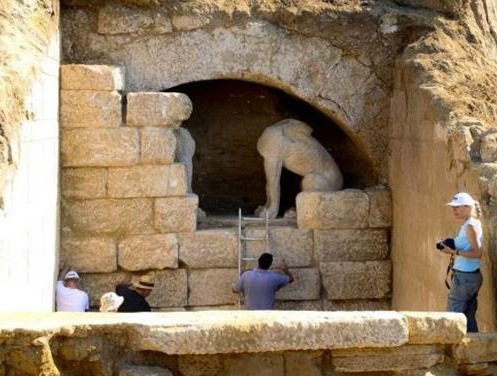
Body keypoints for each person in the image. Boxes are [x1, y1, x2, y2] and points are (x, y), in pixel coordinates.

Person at [436, 192, 483, 332]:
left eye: (457, 207)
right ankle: (474, 350)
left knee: (453, 318)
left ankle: (450, 352)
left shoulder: (470, 226)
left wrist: (453, 252)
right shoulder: (473, 224)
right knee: (468, 320)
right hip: (471, 277)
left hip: (464, 278)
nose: (454, 210)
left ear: (468, 207)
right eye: (453, 207)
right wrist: (453, 244)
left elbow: (477, 253)